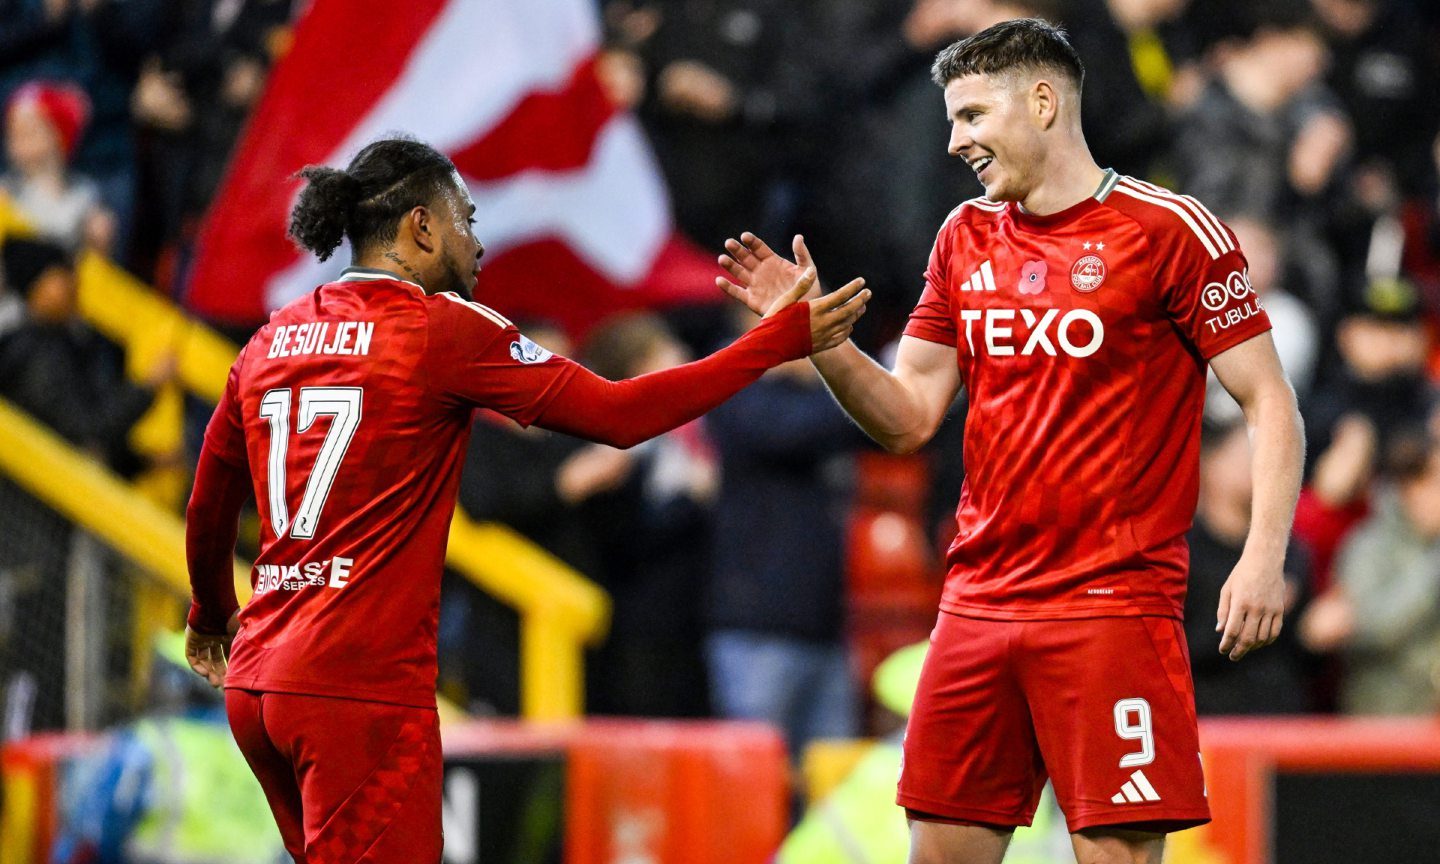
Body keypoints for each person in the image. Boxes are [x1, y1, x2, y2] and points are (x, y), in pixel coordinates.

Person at [181, 135, 869, 862]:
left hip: (259, 685)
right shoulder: (440, 331)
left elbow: (210, 500)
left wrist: (208, 612)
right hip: (358, 688)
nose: (478, 245)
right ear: (422, 227)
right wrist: (771, 344)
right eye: (467, 221)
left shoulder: (271, 338)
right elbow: (620, 415)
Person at [716, 19, 1304, 864]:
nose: (955, 142)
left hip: (1113, 607)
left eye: (971, 117)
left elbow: (1270, 400)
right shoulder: (962, 236)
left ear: (1042, 101)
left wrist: (1262, 555)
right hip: (978, 604)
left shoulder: (1171, 231)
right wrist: (823, 343)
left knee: (1118, 856)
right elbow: (911, 413)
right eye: (951, 121)